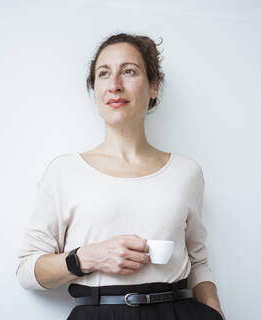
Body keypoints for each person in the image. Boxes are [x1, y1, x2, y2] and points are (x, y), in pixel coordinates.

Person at [15, 32, 226, 320]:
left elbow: (198, 260)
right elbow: (27, 271)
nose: (114, 85)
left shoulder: (187, 172)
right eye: (103, 74)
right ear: (95, 89)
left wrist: (213, 309)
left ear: (154, 87)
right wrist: (85, 257)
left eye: (128, 71)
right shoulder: (64, 171)